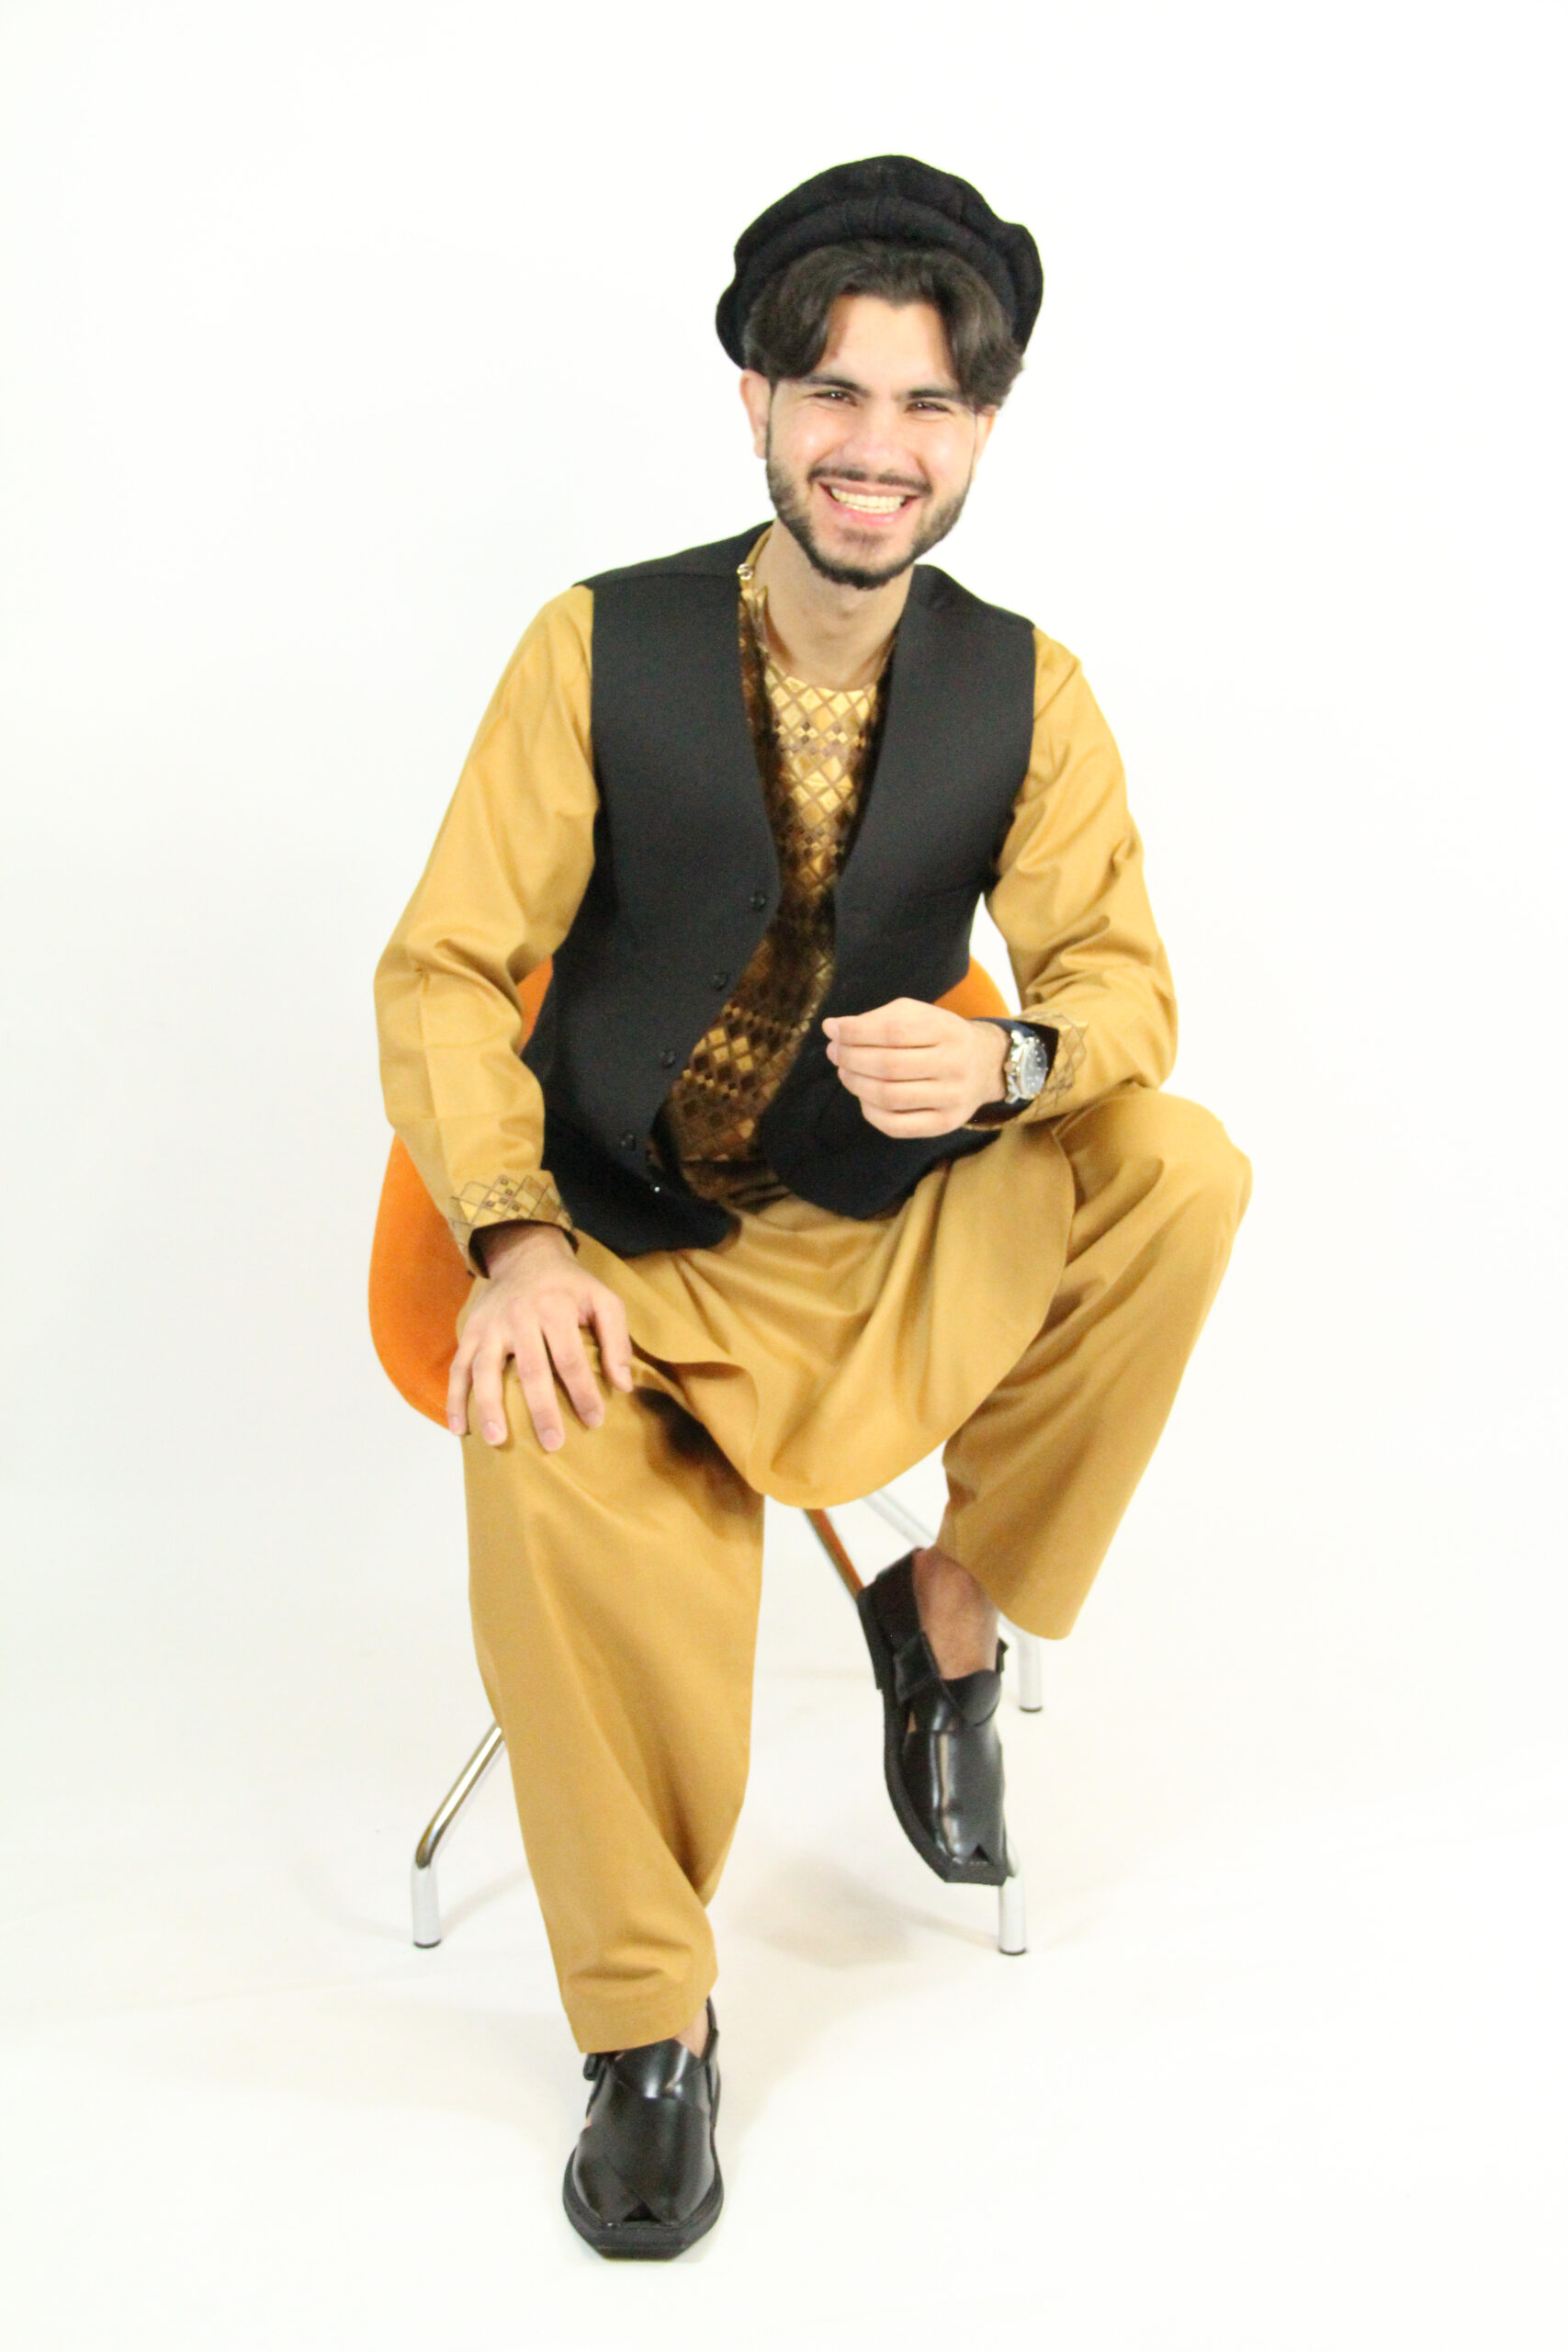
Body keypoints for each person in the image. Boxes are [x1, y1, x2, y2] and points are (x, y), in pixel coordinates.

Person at [373, 153, 1251, 2258]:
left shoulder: (1026, 689)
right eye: (836, 392)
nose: (878, 446)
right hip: (624, 1247)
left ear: (980, 431)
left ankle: (943, 1620)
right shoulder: (592, 645)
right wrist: (512, 1236)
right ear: (757, 403)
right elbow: (444, 970)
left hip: (875, 1231)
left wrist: (1010, 1060)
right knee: (544, 1440)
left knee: (1175, 1166)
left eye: (929, 403)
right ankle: (644, 2028)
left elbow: (1120, 988)